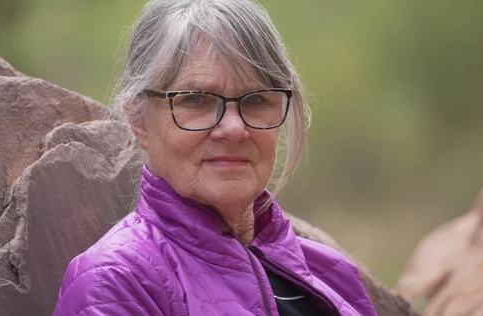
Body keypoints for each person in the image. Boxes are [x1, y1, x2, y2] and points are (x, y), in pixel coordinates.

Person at [53, 0, 377, 315]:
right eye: (195, 99)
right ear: (139, 120)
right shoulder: (117, 282)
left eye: (257, 99)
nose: (234, 129)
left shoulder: (331, 273)